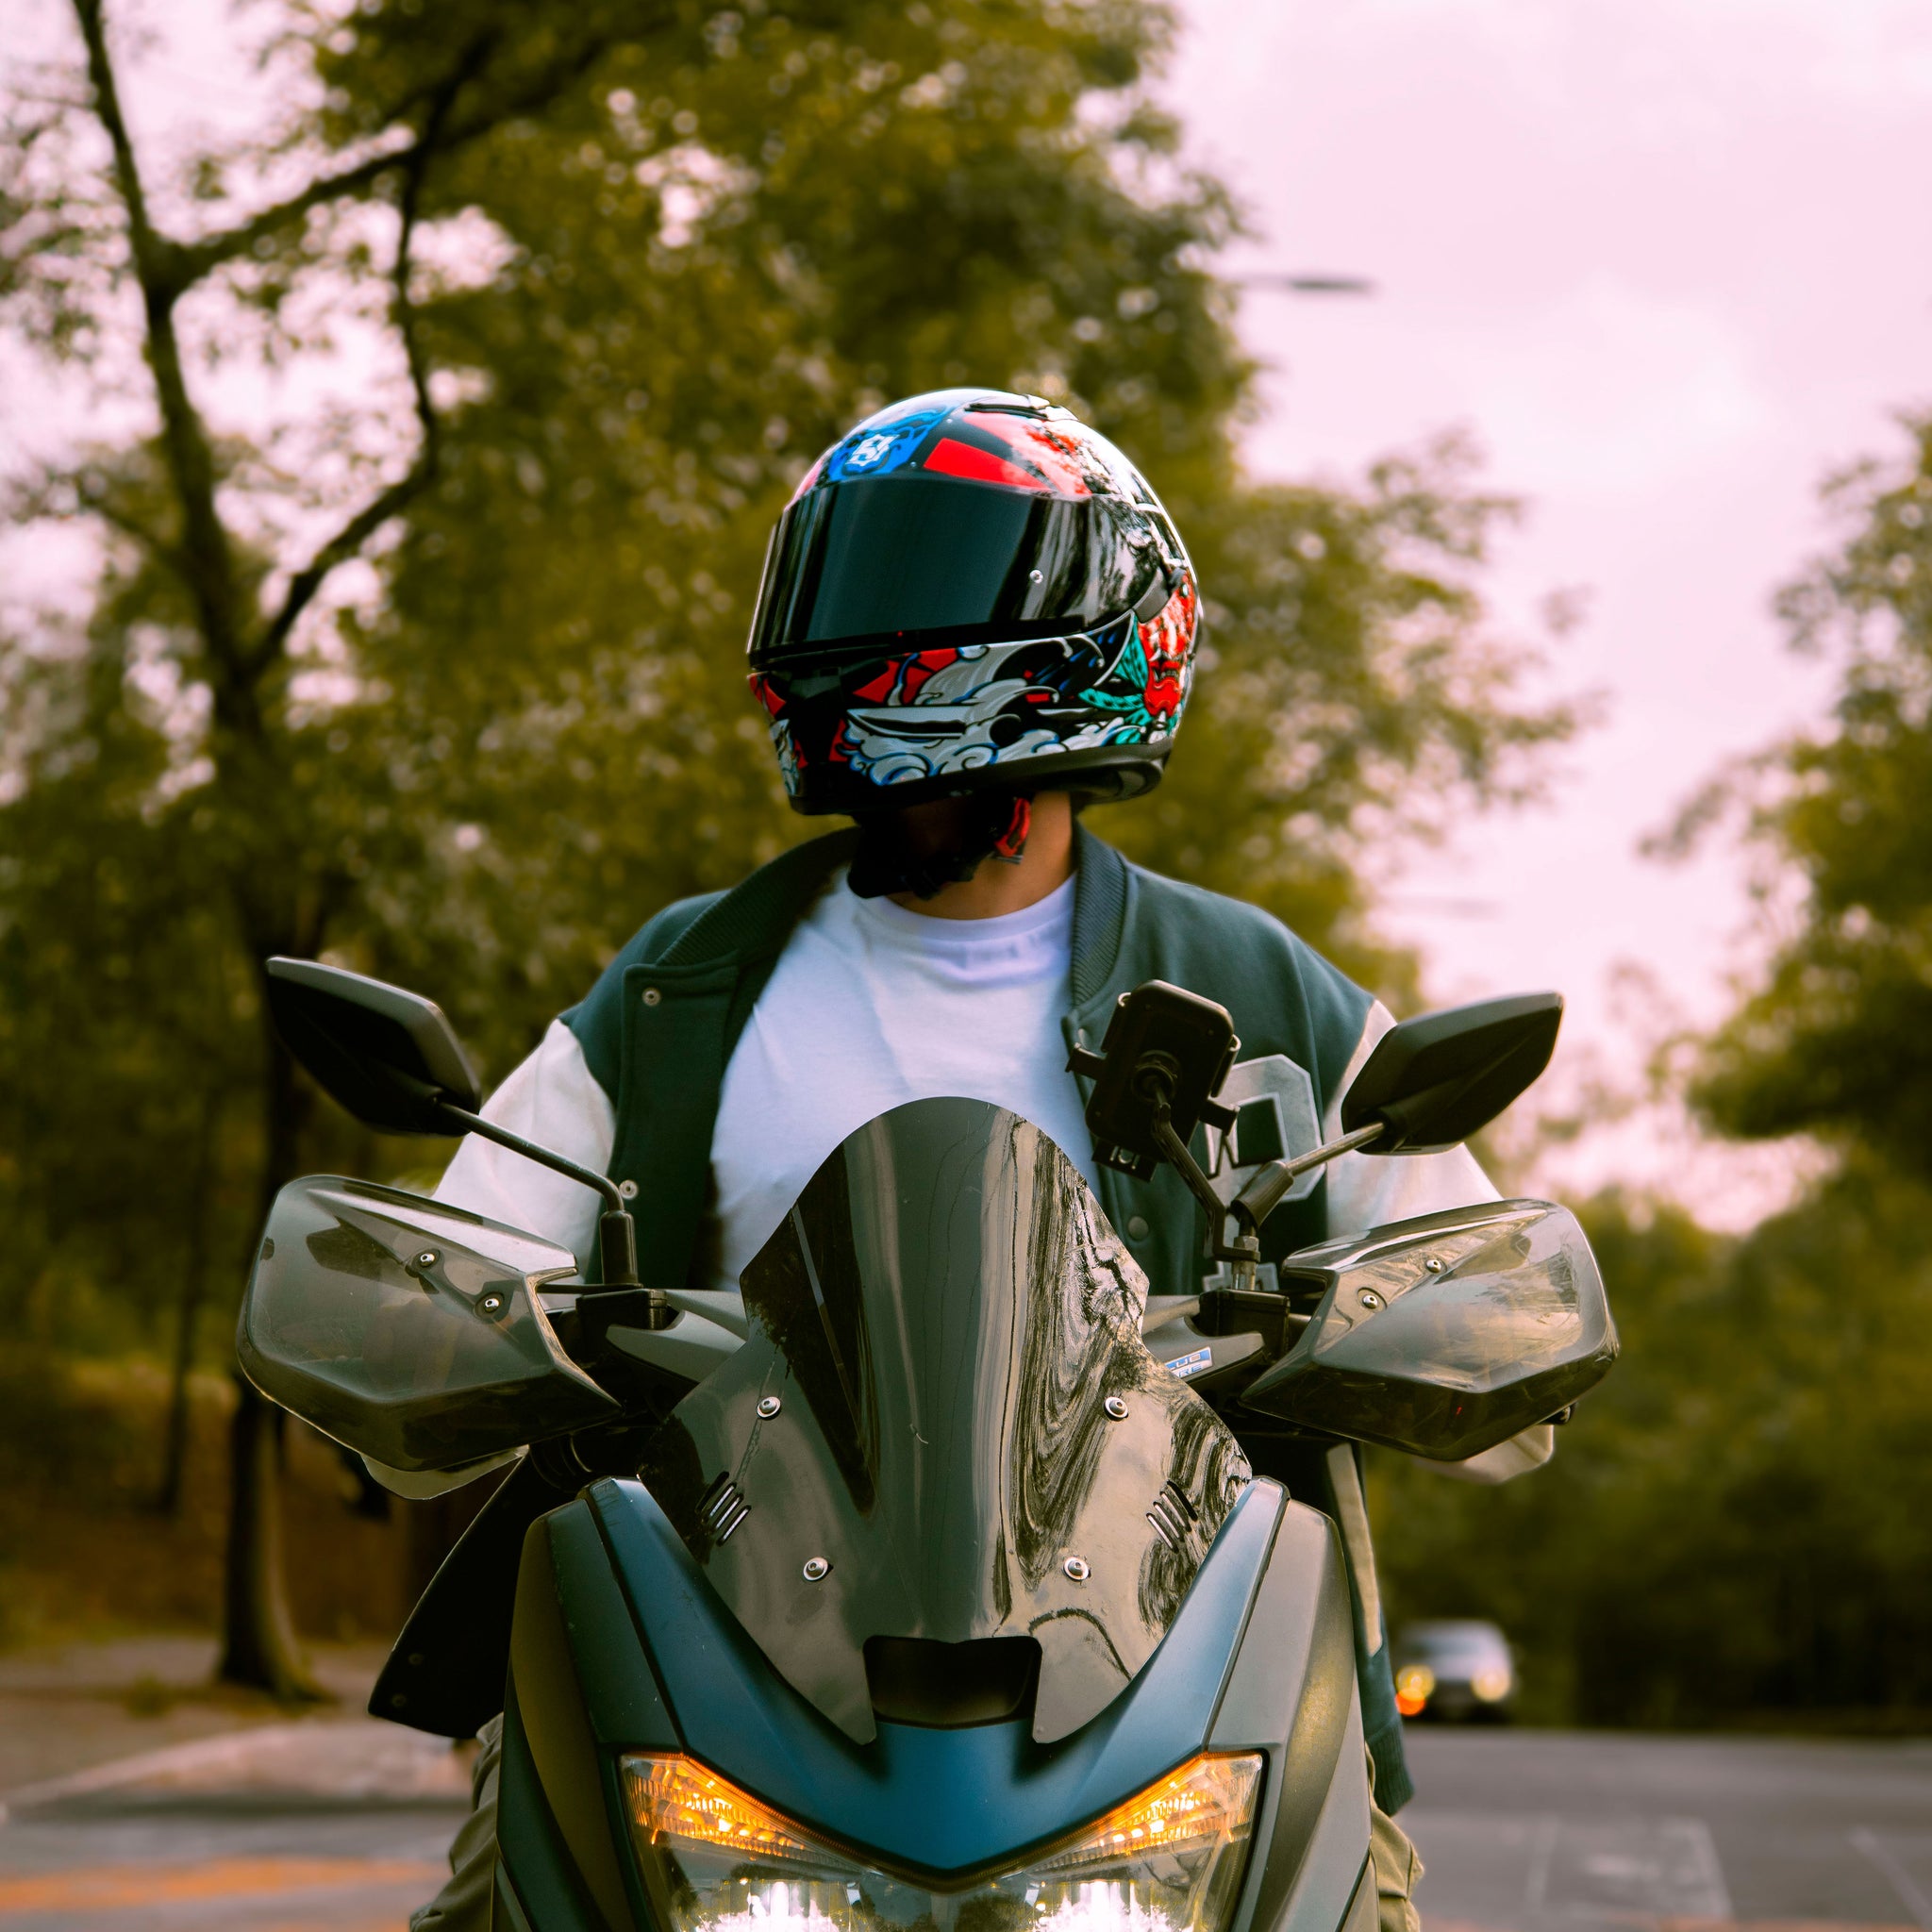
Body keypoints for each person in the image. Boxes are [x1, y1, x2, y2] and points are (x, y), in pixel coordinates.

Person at [403, 390, 1551, 1932]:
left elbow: (1500, 1358)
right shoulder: (684, 990)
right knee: (496, 1903)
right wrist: (433, 1325)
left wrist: (1419, 1331)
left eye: (896, 600)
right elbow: (458, 1267)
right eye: (832, 596)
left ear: (1064, 653)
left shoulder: (1262, 994)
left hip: (1171, 1690)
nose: (837, 653)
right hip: (728, 1686)